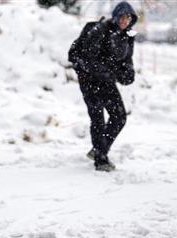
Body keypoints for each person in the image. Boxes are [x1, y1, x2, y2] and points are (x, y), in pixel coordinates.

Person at [70, 1, 137, 172]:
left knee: (119, 116)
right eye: (122, 16)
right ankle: (101, 160)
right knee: (97, 116)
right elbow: (88, 58)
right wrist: (106, 71)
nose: (125, 21)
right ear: (115, 16)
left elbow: (126, 62)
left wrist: (127, 74)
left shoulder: (127, 37)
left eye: (128, 18)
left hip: (106, 81)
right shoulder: (99, 30)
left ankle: (100, 148)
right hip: (89, 80)